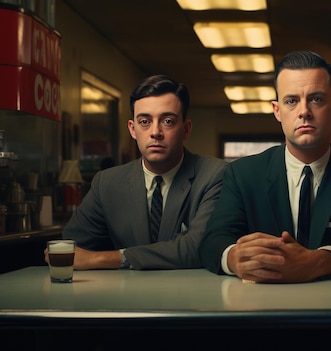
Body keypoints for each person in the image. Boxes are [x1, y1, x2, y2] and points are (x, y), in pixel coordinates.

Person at [199, 50, 331, 283]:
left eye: (316, 99)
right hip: (260, 305)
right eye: (291, 101)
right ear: (277, 110)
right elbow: (213, 241)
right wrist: (234, 258)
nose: (304, 112)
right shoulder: (242, 174)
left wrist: (313, 262)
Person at [45, 74, 227, 270]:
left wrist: (107, 259)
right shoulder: (107, 183)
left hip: (189, 296)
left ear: (186, 129)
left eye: (167, 121)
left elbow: (198, 247)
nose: (155, 132)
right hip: (123, 296)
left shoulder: (214, 175)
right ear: (132, 129)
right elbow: (72, 249)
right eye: (144, 122)